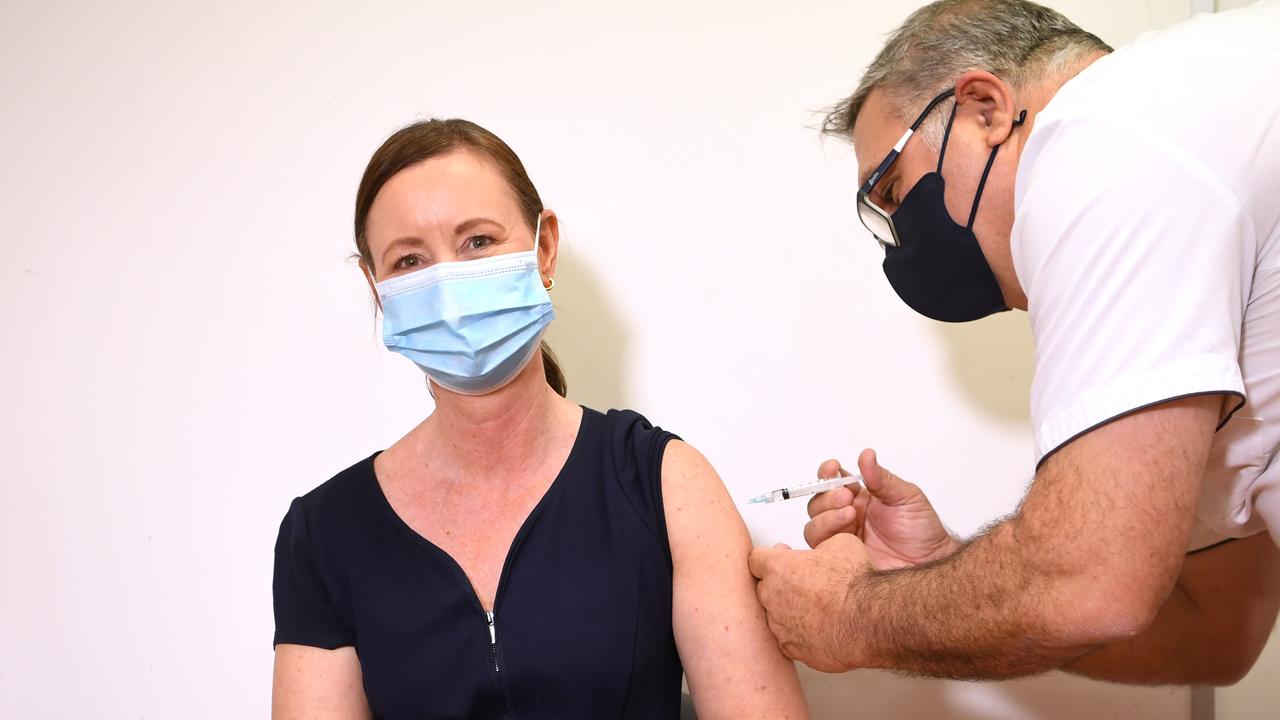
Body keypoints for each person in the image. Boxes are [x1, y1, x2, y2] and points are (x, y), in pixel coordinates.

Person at [749, 0, 1280, 685]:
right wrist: (936, 574)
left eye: (891, 190)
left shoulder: (1106, 135)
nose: (900, 241)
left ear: (985, 109)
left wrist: (849, 615)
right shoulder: (1181, 203)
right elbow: (1215, 632)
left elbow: (1092, 582)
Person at [271, 119, 808, 719]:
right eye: (410, 261)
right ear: (377, 289)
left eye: (477, 241)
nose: (447, 286)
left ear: (543, 247)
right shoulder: (324, 534)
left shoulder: (663, 484)